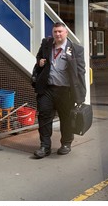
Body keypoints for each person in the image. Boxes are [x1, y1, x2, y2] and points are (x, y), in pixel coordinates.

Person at [33, 22, 86, 158]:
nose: (57, 34)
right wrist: (39, 62)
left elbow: (80, 73)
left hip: (66, 92)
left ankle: (66, 144)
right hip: (47, 89)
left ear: (66, 33)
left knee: (66, 119)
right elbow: (39, 58)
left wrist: (81, 95)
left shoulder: (76, 50)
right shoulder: (46, 44)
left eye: (60, 31)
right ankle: (45, 146)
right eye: (55, 31)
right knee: (44, 117)